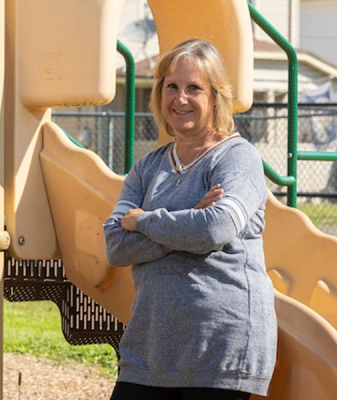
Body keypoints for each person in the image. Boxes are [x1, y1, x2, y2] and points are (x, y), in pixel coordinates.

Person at [103, 39, 277, 400]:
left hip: (219, 350)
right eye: (171, 87)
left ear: (216, 96)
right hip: (150, 349)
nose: (180, 99)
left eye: (193, 88)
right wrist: (190, 219)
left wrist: (144, 220)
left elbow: (216, 228)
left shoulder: (237, 158)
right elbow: (116, 246)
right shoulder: (147, 168)